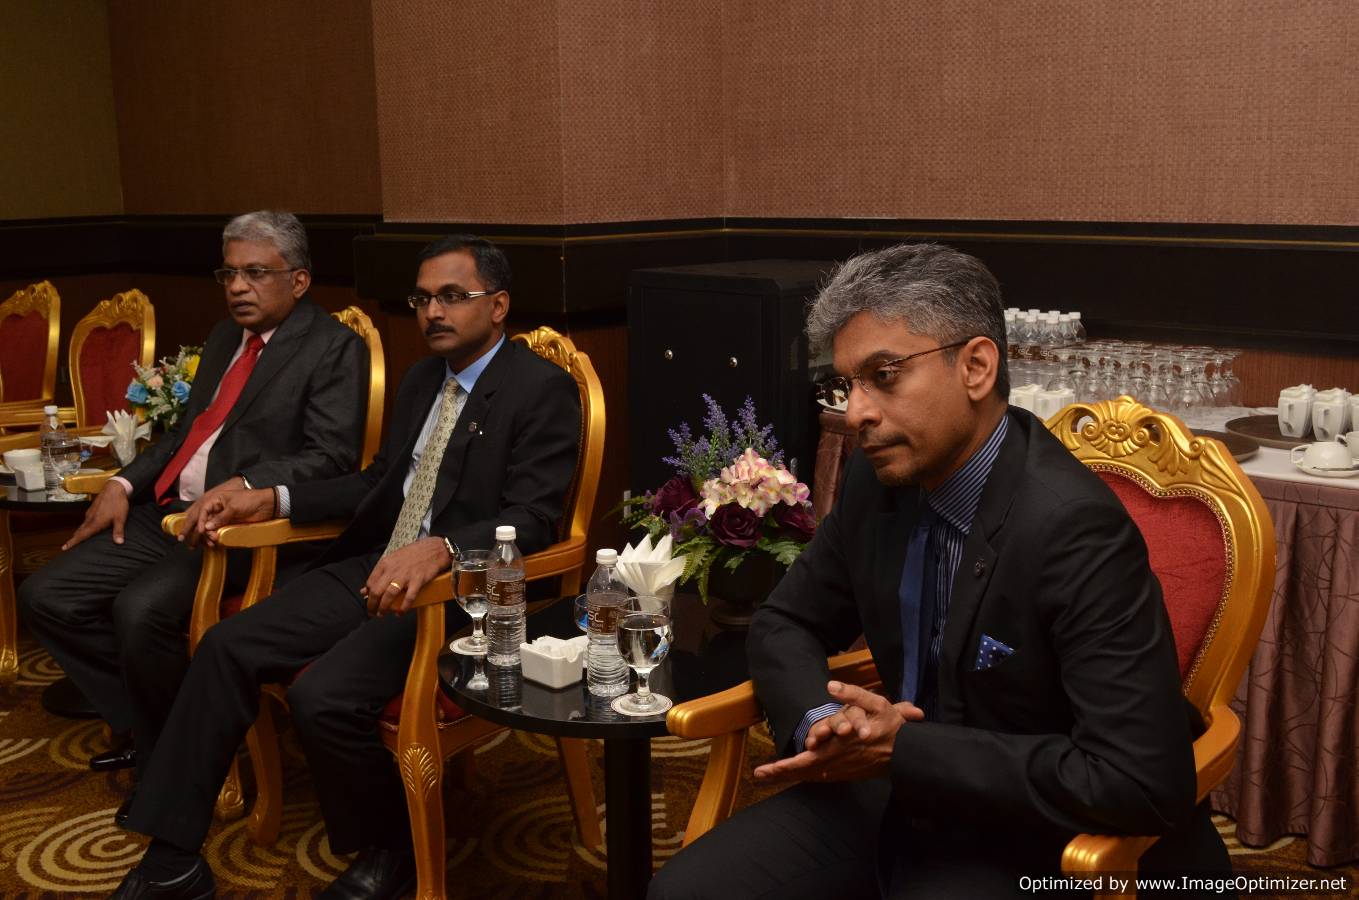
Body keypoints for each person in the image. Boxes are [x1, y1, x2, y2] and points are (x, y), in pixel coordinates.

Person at [649, 243, 1232, 898]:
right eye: (846, 384)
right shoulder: (877, 483)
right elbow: (787, 621)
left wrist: (904, 751)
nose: (855, 413)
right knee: (685, 892)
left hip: (1032, 833)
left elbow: (1138, 780)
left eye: (885, 375)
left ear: (976, 367)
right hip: (895, 795)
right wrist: (824, 722)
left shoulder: (1073, 529)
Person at [108, 234, 582, 900]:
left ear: (497, 305)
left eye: (452, 296)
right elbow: (376, 483)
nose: (433, 312)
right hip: (375, 564)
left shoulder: (541, 389)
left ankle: (390, 852)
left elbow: (533, 519)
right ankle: (173, 857)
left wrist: (444, 548)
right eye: (422, 299)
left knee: (322, 695)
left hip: (462, 595)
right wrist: (270, 497)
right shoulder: (422, 380)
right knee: (225, 645)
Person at [19, 210, 368, 782]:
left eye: (256, 273)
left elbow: (329, 457)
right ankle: (162, 725)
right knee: (46, 596)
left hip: (234, 529)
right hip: (165, 513)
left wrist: (247, 486)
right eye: (228, 274)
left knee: (140, 611)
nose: (237, 287)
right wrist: (122, 483)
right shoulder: (226, 336)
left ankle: (170, 759)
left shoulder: (333, 347)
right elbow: (186, 433)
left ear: (299, 280)